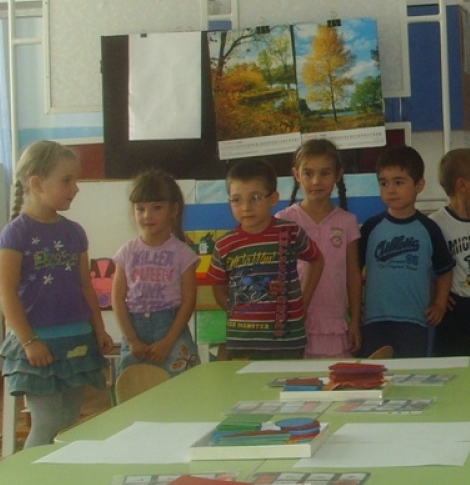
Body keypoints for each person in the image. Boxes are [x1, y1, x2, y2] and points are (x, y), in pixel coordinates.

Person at [0, 141, 112, 448]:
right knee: (47, 423)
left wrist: (99, 329)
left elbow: (85, 286)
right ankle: (30, 475)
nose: (75, 188)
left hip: (76, 339)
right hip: (39, 343)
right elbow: (6, 294)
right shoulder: (16, 233)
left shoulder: (74, 232)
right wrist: (29, 341)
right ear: (37, 184)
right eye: (66, 181)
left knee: (68, 424)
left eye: (75, 180)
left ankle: (60, 474)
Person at [208, 158, 324, 360]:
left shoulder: (290, 232)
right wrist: (239, 310)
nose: (246, 207)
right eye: (237, 200)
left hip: (286, 340)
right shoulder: (224, 245)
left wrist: (303, 303)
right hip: (242, 341)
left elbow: (317, 260)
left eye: (255, 198)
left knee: (287, 381)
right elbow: (218, 287)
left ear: (273, 199)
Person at [359, 145, 455, 358]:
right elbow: (352, 271)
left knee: (410, 372)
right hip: (374, 320)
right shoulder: (370, 228)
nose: (390, 190)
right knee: (374, 372)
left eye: (399, 182)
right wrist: (354, 306)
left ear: (419, 184)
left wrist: (440, 304)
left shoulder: (429, 228)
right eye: (384, 183)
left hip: (414, 320)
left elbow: (445, 270)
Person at [276, 139, 361, 359]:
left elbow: (353, 276)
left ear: (338, 174)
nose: (316, 181)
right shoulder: (284, 220)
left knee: (335, 378)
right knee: (297, 379)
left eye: (325, 173)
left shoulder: (347, 221)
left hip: (334, 322)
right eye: (308, 173)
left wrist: (355, 321)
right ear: (296, 174)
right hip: (294, 322)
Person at [112, 169, 199, 377]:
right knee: (134, 387)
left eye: (156, 208)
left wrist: (168, 341)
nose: (147, 216)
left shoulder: (183, 253)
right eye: (140, 209)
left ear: (173, 209)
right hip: (135, 331)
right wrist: (132, 339)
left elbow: (189, 301)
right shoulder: (127, 252)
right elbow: (117, 298)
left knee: (183, 385)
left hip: (171, 330)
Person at [429, 148, 470, 357]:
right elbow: (427, 266)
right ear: (462, 185)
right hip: (455, 308)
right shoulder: (436, 224)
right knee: (453, 365)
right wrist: (436, 295)